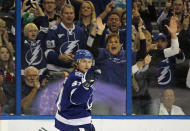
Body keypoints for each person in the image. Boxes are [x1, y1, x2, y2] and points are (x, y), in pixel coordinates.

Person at [55, 49, 101, 131]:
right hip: (73, 120)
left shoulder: (80, 75)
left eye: (89, 62)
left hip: (72, 118)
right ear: (76, 63)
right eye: (83, 61)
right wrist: (86, 84)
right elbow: (76, 100)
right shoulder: (77, 77)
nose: (87, 64)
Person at [45, 4, 87, 72]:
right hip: (55, 70)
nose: (69, 15)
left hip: (74, 70)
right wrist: (59, 57)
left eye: (71, 13)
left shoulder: (80, 31)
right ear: (61, 15)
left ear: (74, 15)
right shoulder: (53, 30)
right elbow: (47, 52)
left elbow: (83, 51)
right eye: (66, 13)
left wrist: (76, 57)